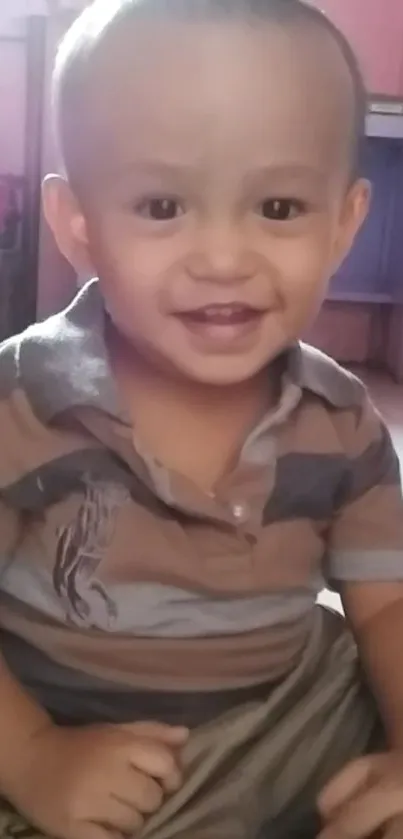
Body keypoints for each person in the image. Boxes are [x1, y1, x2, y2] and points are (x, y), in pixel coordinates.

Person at [0, 0, 402, 837]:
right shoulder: (22, 404)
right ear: (77, 222)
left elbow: (384, 608)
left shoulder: (340, 421)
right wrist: (33, 754)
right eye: (160, 207)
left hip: (286, 728)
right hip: (62, 732)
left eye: (279, 209)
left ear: (343, 224)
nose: (223, 259)